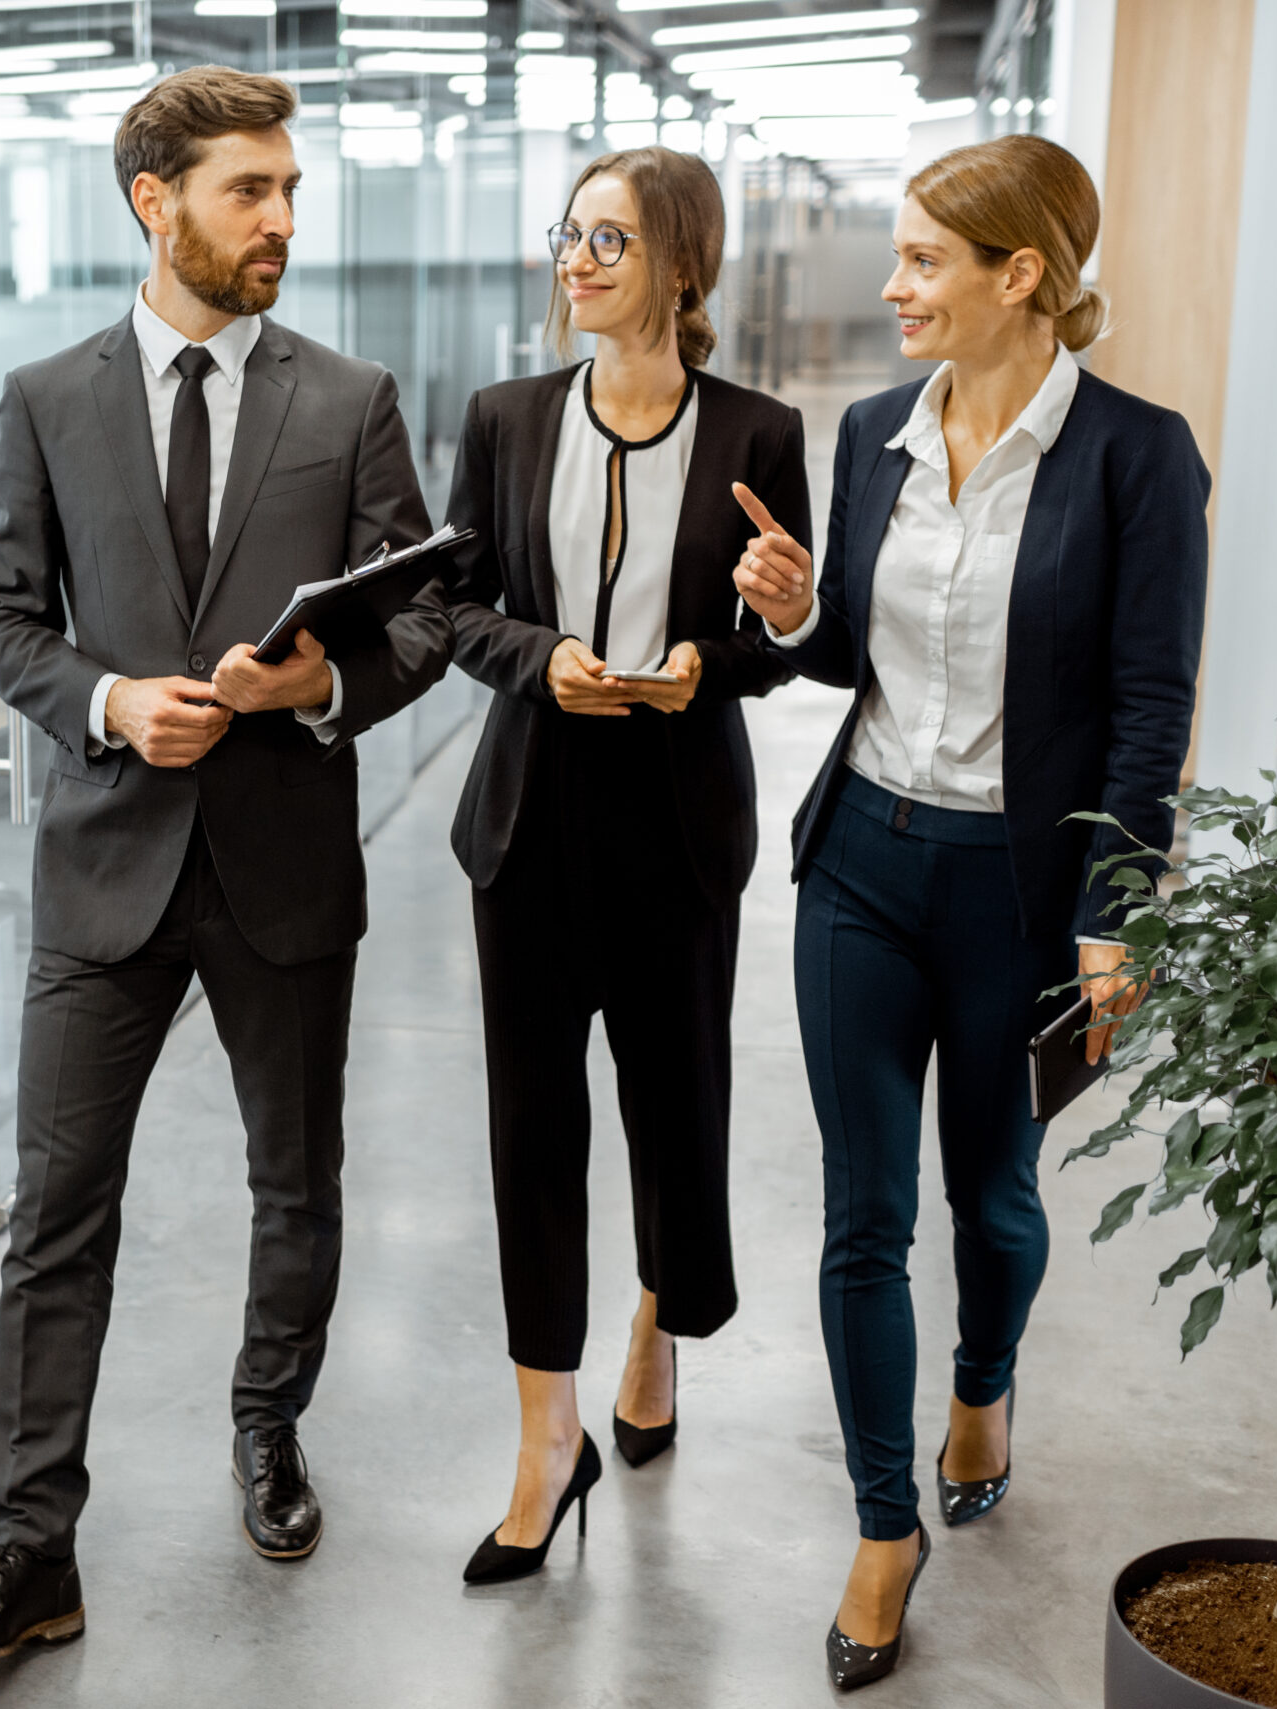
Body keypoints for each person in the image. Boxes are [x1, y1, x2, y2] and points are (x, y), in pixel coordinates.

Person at [0, 66, 450, 1660]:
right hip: (103, 870)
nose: (283, 218)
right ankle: (30, 1550)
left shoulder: (349, 397)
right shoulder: (46, 398)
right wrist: (111, 700)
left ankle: (269, 1430)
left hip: (284, 863)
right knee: (59, 1212)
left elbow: (417, 615)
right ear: (157, 203)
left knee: (299, 1185)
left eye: (290, 189)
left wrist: (322, 684)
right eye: (249, 191)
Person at [731, 135, 1208, 1690]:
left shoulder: (1140, 456)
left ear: (1022, 276)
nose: (892, 286)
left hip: (1021, 887)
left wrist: (1115, 910)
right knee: (862, 1210)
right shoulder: (871, 430)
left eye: (924, 258)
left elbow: (1150, 707)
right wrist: (798, 613)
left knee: (992, 1189)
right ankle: (885, 1528)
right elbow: (841, 657)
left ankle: (984, 1383)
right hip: (862, 859)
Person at [437, 147, 809, 1586]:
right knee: (533, 1134)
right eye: (569, 236)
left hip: (674, 828)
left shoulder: (760, 433)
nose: (575, 261)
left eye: (608, 239)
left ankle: (659, 1324)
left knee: (676, 1112)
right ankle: (547, 1443)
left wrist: (727, 648)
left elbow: (779, 644)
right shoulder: (507, 418)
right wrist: (544, 662)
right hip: (527, 829)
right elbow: (457, 608)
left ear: (680, 266)